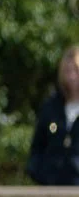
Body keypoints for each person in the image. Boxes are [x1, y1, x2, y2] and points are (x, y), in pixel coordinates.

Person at [27, 45, 79, 186]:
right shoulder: (51, 107)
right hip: (52, 186)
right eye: (68, 71)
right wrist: (38, 172)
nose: (72, 76)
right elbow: (37, 146)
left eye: (76, 70)